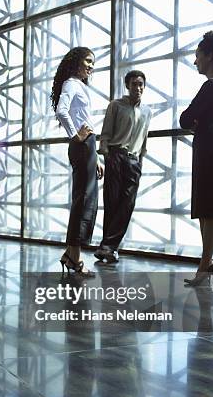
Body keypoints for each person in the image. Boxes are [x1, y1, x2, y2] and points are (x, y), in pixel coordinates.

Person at [179, 31, 213, 286]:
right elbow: (189, 118)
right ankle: (207, 261)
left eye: (198, 56)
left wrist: (193, 119)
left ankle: (205, 263)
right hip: (210, 146)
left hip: (208, 148)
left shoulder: (212, 86)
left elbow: (185, 118)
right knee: (206, 207)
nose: (195, 61)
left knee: (208, 208)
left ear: (209, 55)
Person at [51, 47, 104, 275]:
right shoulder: (71, 83)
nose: (91, 66)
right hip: (83, 144)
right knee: (83, 200)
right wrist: (75, 136)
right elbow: (62, 111)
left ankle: (72, 254)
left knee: (86, 200)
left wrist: (97, 157)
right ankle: (73, 256)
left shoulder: (79, 85)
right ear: (76, 62)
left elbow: (85, 119)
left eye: (93, 62)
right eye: (88, 61)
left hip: (88, 146)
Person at [94, 70, 151, 263]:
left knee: (127, 204)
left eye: (141, 84)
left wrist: (140, 160)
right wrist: (105, 158)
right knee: (112, 202)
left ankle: (107, 246)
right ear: (127, 86)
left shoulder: (147, 111)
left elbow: (144, 139)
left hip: (134, 161)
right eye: (134, 84)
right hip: (115, 156)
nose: (138, 87)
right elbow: (106, 133)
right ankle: (109, 248)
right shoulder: (116, 105)